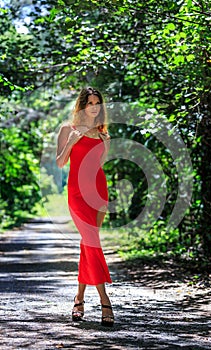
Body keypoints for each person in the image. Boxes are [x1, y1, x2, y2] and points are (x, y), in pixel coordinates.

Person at [56, 87, 114, 327]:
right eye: (89, 102)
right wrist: (71, 142)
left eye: (97, 102)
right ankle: (105, 301)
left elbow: (98, 167)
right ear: (81, 105)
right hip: (77, 194)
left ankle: (79, 299)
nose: (93, 106)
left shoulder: (103, 135)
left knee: (88, 243)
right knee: (91, 241)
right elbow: (60, 163)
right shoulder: (66, 130)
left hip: (98, 192)